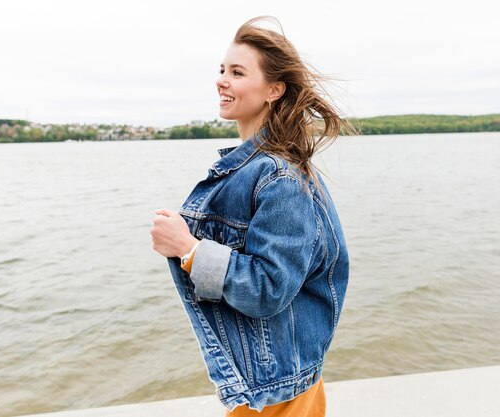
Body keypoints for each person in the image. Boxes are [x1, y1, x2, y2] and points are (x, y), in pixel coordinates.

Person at [150, 16, 355, 416]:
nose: (222, 80)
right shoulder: (256, 168)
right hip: (274, 383)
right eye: (222, 70)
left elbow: (270, 288)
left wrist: (188, 248)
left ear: (274, 90)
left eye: (237, 72)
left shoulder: (279, 176)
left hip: (277, 394)